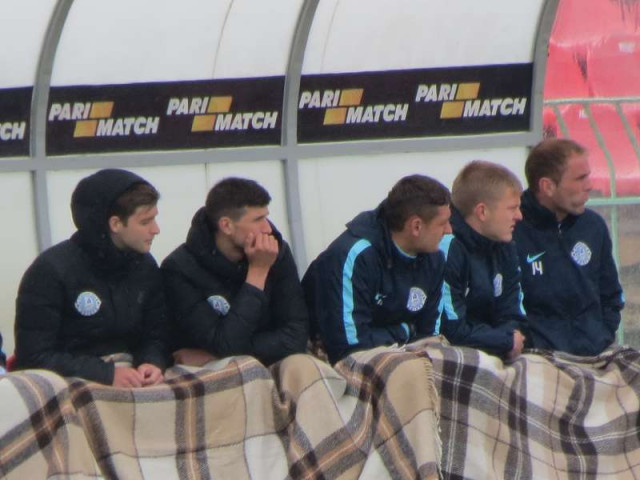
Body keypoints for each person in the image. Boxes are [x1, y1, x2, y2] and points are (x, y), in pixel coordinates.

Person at [14, 169, 169, 387]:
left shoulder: (144, 266)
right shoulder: (50, 271)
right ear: (115, 224)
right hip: (71, 386)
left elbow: (156, 335)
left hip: (131, 376)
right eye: (145, 222)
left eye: (155, 219)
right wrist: (105, 374)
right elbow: (33, 356)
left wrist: (152, 362)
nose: (156, 229)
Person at [302, 174, 452, 364]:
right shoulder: (354, 256)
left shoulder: (435, 258)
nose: (449, 230)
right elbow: (349, 347)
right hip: (338, 359)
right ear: (416, 226)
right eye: (442, 223)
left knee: (475, 364)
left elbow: (430, 338)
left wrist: (401, 339)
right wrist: (405, 330)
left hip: (403, 353)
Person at [161, 177, 308, 366]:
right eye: (258, 220)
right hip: (211, 372)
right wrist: (257, 273)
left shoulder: (275, 252)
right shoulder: (180, 268)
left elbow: (296, 336)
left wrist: (217, 354)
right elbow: (225, 344)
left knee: (306, 366)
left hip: (266, 359)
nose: (267, 229)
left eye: (266, 217)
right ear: (227, 226)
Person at [513, 138, 624, 356]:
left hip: (595, 352)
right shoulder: (512, 230)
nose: (589, 185)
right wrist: (532, 344)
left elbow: (611, 295)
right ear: (547, 186)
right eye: (580, 178)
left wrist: (601, 335)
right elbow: (505, 306)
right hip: (537, 358)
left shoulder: (593, 226)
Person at [439, 160, 527, 359]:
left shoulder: (506, 245)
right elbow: (451, 329)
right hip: (455, 355)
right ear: (482, 212)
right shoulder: (448, 248)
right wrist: (504, 341)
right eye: (512, 208)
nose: (519, 216)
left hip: (499, 350)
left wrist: (507, 340)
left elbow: (514, 314)